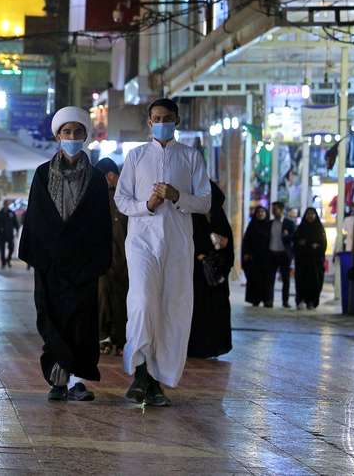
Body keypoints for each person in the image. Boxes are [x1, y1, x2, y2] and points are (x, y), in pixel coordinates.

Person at [115, 98, 211, 407]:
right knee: (142, 302)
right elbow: (121, 200)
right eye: (156, 117)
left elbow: (205, 202)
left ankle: (156, 381)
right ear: (148, 122)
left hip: (178, 244)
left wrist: (177, 195)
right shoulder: (136, 156)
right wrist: (147, 206)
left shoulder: (191, 157)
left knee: (172, 309)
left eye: (167, 117)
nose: (161, 122)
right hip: (142, 242)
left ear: (177, 120)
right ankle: (140, 372)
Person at [19, 107, 111, 402]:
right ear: (58, 135)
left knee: (82, 324)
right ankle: (58, 380)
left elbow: (100, 222)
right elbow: (36, 216)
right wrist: (40, 254)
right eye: (66, 132)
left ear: (85, 136)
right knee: (53, 320)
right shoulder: (43, 174)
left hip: (83, 264)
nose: (72, 137)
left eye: (77, 132)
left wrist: (97, 261)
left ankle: (78, 382)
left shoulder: (96, 179)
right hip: (51, 263)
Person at [188, 181, 233, 359]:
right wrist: (200, 255)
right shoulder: (193, 217)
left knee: (216, 311)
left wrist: (222, 248)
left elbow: (228, 248)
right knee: (198, 310)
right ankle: (196, 347)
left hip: (216, 275)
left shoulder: (219, 218)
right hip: (197, 275)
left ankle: (214, 347)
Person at [94, 157, 128, 356]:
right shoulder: (102, 198)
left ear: (111, 176)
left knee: (121, 300)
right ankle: (104, 337)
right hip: (105, 260)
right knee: (103, 298)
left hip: (124, 260)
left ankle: (120, 339)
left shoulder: (125, 199)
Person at [293, 207, 327, 310]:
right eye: (308, 214)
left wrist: (317, 247)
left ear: (316, 216)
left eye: (312, 214)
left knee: (315, 282)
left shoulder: (320, 229)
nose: (310, 216)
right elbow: (295, 241)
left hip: (316, 262)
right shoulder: (300, 228)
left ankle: (312, 302)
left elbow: (324, 244)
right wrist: (301, 244)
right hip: (302, 261)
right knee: (301, 281)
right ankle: (301, 300)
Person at [241, 206, 273, 307]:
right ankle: (255, 299)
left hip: (267, 258)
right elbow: (246, 241)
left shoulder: (270, 226)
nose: (260, 214)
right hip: (254, 258)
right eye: (258, 212)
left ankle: (267, 300)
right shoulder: (252, 226)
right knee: (255, 279)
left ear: (266, 213)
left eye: (263, 212)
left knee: (267, 280)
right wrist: (246, 253)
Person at [267, 201, 295, 308]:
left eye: (275, 209)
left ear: (282, 210)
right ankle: (269, 300)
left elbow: (294, 238)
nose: (273, 211)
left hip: (284, 254)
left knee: (285, 279)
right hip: (272, 253)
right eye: (272, 209)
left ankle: (285, 301)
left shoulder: (289, 223)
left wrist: (287, 236)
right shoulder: (270, 223)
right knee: (270, 278)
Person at [0, 200, 19, 269]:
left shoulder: (11, 213)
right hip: (2, 234)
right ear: (4, 204)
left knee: (11, 248)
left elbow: (16, 223)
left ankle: (8, 260)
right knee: (2, 249)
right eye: (5, 204)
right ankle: (3, 262)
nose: (6, 205)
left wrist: (17, 231)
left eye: (7, 204)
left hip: (10, 233)